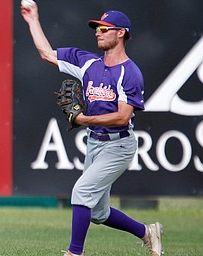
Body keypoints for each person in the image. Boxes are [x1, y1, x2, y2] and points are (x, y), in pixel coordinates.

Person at [21, 3, 163, 256]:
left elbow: (122, 117)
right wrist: (33, 20)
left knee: (82, 191)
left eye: (104, 28)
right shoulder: (87, 63)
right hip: (95, 142)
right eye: (96, 28)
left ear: (121, 33)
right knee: (98, 212)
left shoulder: (130, 73)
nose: (98, 32)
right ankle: (146, 232)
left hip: (119, 145)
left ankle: (75, 252)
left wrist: (83, 119)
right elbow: (46, 54)